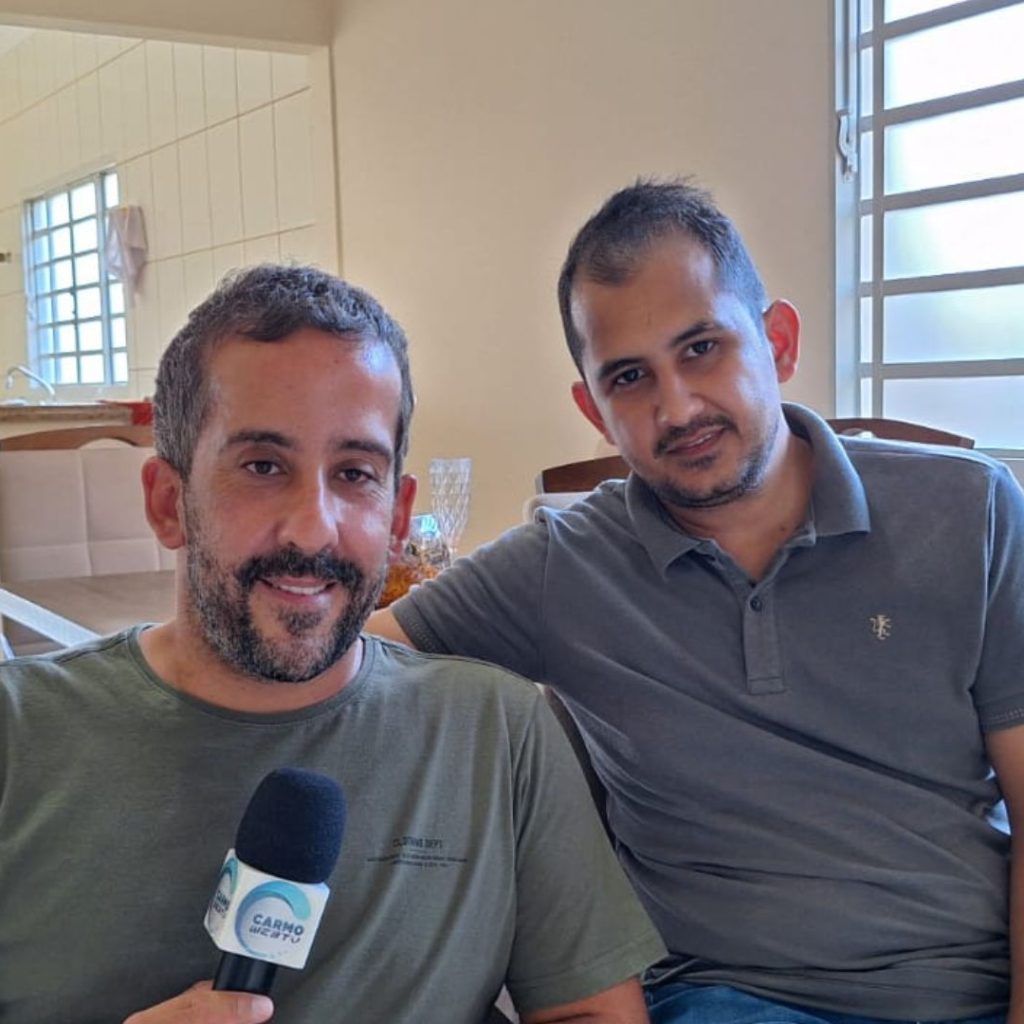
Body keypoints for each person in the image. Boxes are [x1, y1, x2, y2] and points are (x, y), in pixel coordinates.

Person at [369, 181, 1024, 1024]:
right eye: (629, 376)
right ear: (593, 408)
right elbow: (345, 669)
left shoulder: (974, 514)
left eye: (702, 348)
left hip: (966, 992)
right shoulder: (563, 565)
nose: (675, 407)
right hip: (723, 997)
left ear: (777, 341)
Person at [0, 265, 665, 1024]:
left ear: (397, 515)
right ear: (167, 501)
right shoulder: (20, 735)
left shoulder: (497, 733)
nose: (314, 528)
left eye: (354, 473)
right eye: (262, 466)